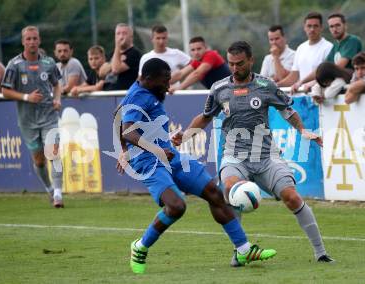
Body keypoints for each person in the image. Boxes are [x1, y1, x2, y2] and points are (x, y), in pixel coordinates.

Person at [172, 41, 334, 265]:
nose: (235, 68)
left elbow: (287, 110)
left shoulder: (265, 85)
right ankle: (240, 250)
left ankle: (321, 252)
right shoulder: (219, 88)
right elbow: (206, 116)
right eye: (231, 64)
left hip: (266, 156)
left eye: (240, 64)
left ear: (250, 60)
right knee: (230, 188)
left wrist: (304, 131)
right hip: (234, 156)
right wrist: (186, 134)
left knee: (292, 197)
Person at [116, 58, 276, 274]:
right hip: (148, 161)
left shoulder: (144, 90)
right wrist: (144, 150)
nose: (168, 86)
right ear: (148, 78)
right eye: (165, 81)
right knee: (176, 207)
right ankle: (140, 247)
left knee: (214, 193)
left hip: (169, 156)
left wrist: (126, 149)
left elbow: (118, 115)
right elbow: (127, 129)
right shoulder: (138, 95)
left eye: (169, 80)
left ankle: (244, 250)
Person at [1, 26, 64, 207]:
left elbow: (57, 85)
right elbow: (5, 91)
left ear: (39, 40)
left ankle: (59, 194)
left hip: (48, 116)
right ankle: (49, 189)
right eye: (28, 39)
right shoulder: (14, 65)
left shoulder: (49, 63)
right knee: (39, 159)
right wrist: (27, 97)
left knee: (53, 152)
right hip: (27, 121)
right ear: (23, 42)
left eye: (35, 38)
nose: (32, 42)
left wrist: (57, 99)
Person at [293, 13, 362, 95]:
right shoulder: (335, 45)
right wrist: (301, 82)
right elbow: (321, 69)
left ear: (345, 25)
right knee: (316, 90)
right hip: (338, 81)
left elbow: (337, 67)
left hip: (351, 82)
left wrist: (316, 81)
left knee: (327, 93)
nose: (335, 29)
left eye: (337, 25)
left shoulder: (352, 40)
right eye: (331, 26)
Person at [277, 12, 332, 91]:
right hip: (302, 97)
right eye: (309, 26)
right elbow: (293, 77)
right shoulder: (301, 48)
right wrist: (275, 85)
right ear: (304, 28)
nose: (312, 29)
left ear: (321, 28)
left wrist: (312, 84)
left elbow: (328, 76)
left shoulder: (328, 47)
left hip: (320, 97)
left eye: (315, 26)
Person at [106, 23, 141, 91]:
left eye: (124, 33)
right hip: (108, 93)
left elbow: (115, 70)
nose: (121, 37)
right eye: (118, 34)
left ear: (131, 36)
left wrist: (117, 46)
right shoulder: (112, 54)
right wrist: (114, 63)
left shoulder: (134, 53)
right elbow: (102, 72)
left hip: (124, 93)